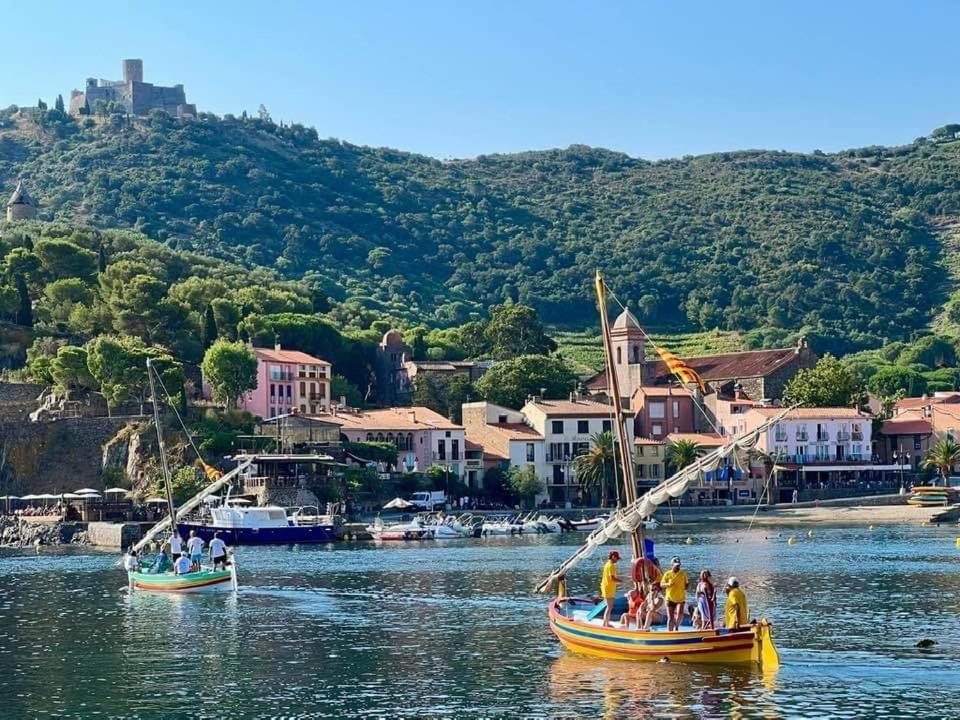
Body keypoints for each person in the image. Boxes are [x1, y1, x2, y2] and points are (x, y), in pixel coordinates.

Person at [660, 557, 689, 632]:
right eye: (676, 566)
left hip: (680, 598)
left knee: (680, 614)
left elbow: (687, 585)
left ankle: (676, 627)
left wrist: (686, 586)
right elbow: (661, 585)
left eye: (679, 565)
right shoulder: (667, 574)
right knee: (670, 617)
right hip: (670, 598)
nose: (678, 567)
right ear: (672, 565)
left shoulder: (683, 574)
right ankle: (669, 632)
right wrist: (668, 584)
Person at [599, 550, 623, 628]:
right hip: (608, 588)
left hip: (607, 587)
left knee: (609, 606)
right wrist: (621, 581)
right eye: (617, 558)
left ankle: (606, 623)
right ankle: (605, 624)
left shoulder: (607, 564)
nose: (617, 560)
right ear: (613, 557)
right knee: (609, 607)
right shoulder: (611, 566)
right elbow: (612, 578)